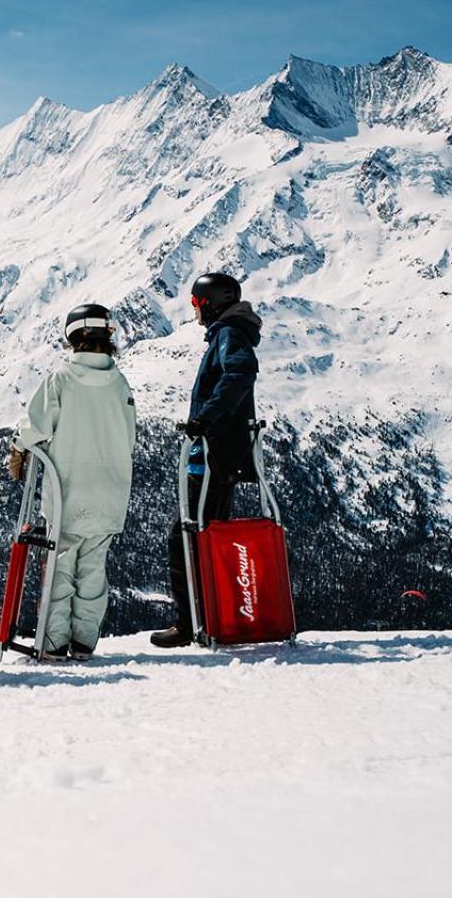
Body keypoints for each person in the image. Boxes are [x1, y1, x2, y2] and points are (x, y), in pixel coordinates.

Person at [8, 304, 137, 661]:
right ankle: (84, 641)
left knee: (61, 566)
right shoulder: (120, 383)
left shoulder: (61, 379)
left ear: (73, 337)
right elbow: (129, 436)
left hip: (68, 492)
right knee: (94, 567)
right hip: (111, 491)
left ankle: (52, 643)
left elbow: (36, 427)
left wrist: (17, 449)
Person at [151, 272, 262, 648]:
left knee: (187, 536)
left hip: (215, 456)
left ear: (210, 303)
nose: (195, 312)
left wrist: (207, 419)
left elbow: (241, 372)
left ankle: (192, 622)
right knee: (200, 535)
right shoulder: (227, 333)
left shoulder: (230, 335)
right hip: (217, 454)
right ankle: (209, 617)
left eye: (197, 304)